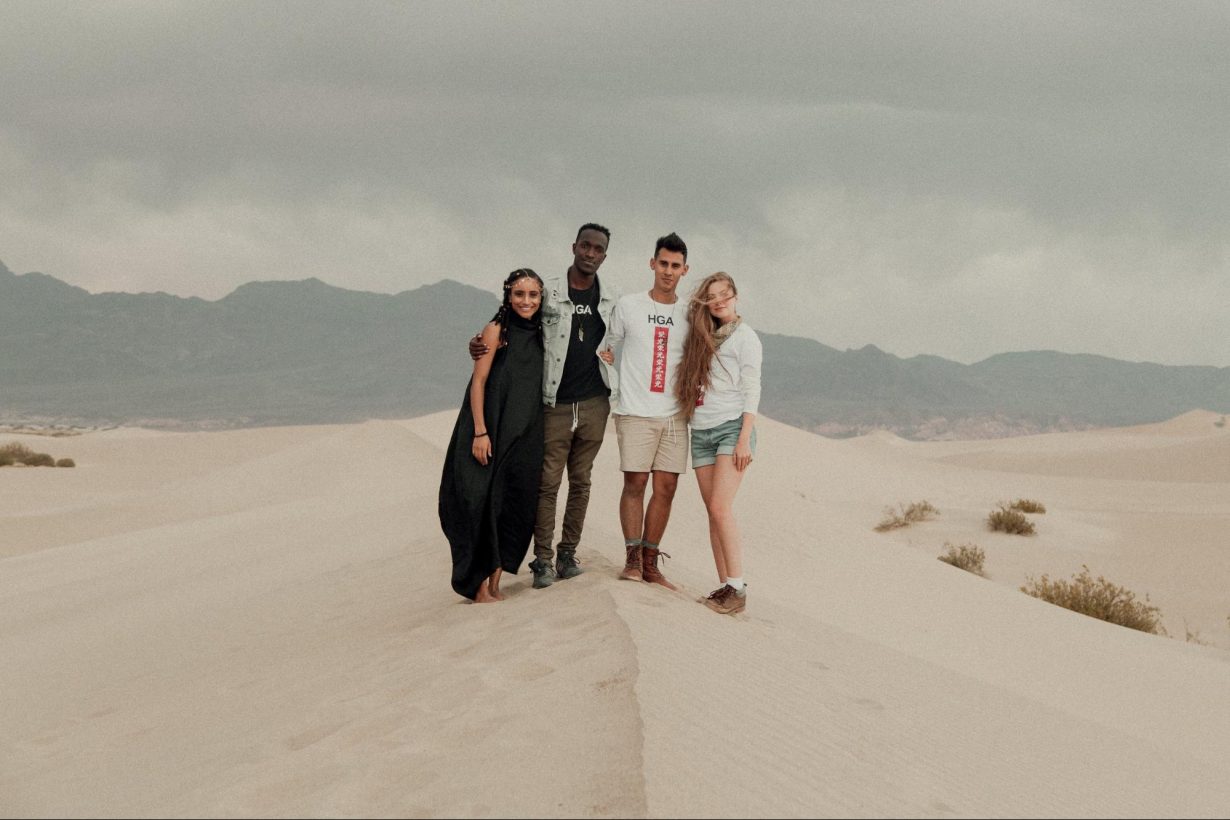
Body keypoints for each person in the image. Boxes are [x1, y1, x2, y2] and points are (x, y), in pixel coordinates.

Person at [469, 224, 619, 589]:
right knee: (548, 481)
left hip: (596, 401)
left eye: (598, 249)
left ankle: (568, 553)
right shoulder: (548, 292)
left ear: (604, 255)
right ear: (574, 247)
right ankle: (543, 560)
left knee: (581, 481)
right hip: (554, 402)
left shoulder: (611, 299)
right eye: (585, 245)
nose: (590, 253)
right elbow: (513, 316)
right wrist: (478, 342)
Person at [440, 269, 546, 603]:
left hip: (527, 431)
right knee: (482, 501)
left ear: (541, 298)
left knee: (515, 503)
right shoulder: (496, 330)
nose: (525, 301)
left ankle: (496, 582)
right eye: (519, 294)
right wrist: (480, 431)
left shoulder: (546, 334)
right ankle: (476, 584)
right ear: (508, 295)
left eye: (533, 295)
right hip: (491, 427)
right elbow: (479, 382)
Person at [601, 232, 690, 590]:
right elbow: (607, 348)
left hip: (674, 415)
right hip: (635, 410)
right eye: (663, 264)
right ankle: (632, 558)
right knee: (635, 482)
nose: (668, 271)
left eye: (675, 266)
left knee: (666, 487)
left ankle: (651, 561)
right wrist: (615, 390)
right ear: (652, 264)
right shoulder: (629, 305)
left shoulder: (690, 312)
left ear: (685, 270)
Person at [675, 272, 762, 615]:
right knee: (712, 512)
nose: (720, 300)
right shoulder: (701, 337)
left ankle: (738, 588)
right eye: (712, 296)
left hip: (731, 430)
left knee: (720, 508)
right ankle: (726, 584)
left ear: (736, 296)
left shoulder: (746, 338)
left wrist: (744, 438)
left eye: (725, 294)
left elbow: (752, 388)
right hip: (702, 432)